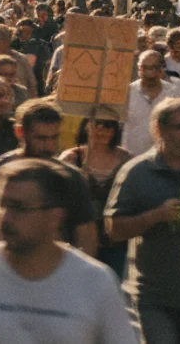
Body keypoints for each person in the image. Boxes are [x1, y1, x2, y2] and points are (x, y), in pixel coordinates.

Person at [0, 159, 139, 344]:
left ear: (55, 217)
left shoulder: (96, 283)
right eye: (0, 205)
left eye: (19, 208)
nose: (4, 218)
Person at [0, 99, 98, 257]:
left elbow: (86, 235)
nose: (49, 146)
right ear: (20, 132)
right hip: (4, 265)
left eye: (54, 137)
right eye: (41, 138)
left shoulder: (70, 179)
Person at [105, 97, 180, 344]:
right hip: (155, 299)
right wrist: (156, 215)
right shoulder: (137, 172)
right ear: (160, 129)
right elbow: (113, 229)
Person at [59, 117, 132, 278]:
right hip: (77, 238)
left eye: (108, 125)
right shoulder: (71, 158)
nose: (102, 130)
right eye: (96, 124)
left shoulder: (127, 160)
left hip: (114, 241)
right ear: (86, 126)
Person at [125, 49, 180, 155]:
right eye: (144, 67)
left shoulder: (174, 93)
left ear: (162, 69)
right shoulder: (127, 92)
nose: (149, 72)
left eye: (154, 67)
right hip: (131, 154)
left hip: (165, 156)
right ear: (139, 68)